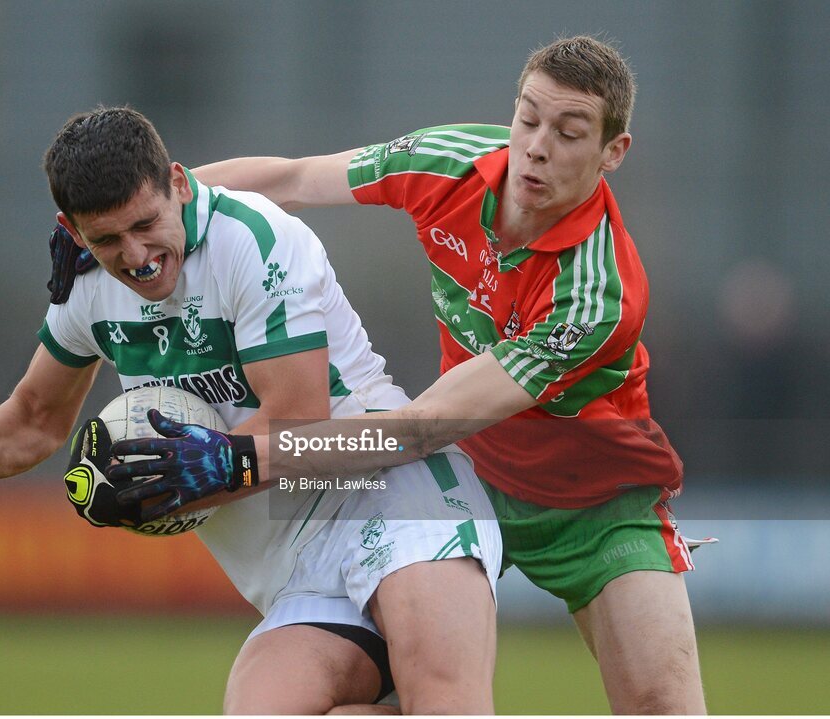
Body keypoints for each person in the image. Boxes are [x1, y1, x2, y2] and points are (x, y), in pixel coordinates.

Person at [131, 36, 712, 714]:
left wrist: (238, 461)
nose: (535, 146)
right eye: (527, 118)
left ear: (612, 153)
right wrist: (145, 218)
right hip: (465, 477)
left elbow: (415, 428)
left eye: (569, 132)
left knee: (665, 707)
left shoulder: (596, 295)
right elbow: (290, 180)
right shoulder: (449, 162)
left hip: (592, 506)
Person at [0, 107, 501, 714]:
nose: (137, 256)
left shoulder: (252, 239)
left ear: (178, 184)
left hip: (386, 486)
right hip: (291, 565)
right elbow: (37, 416)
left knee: (442, 701)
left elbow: (299, 417)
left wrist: (207, 468)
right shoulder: (88, 287)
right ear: (71, 231)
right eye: (107, 240)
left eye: (146, 224)